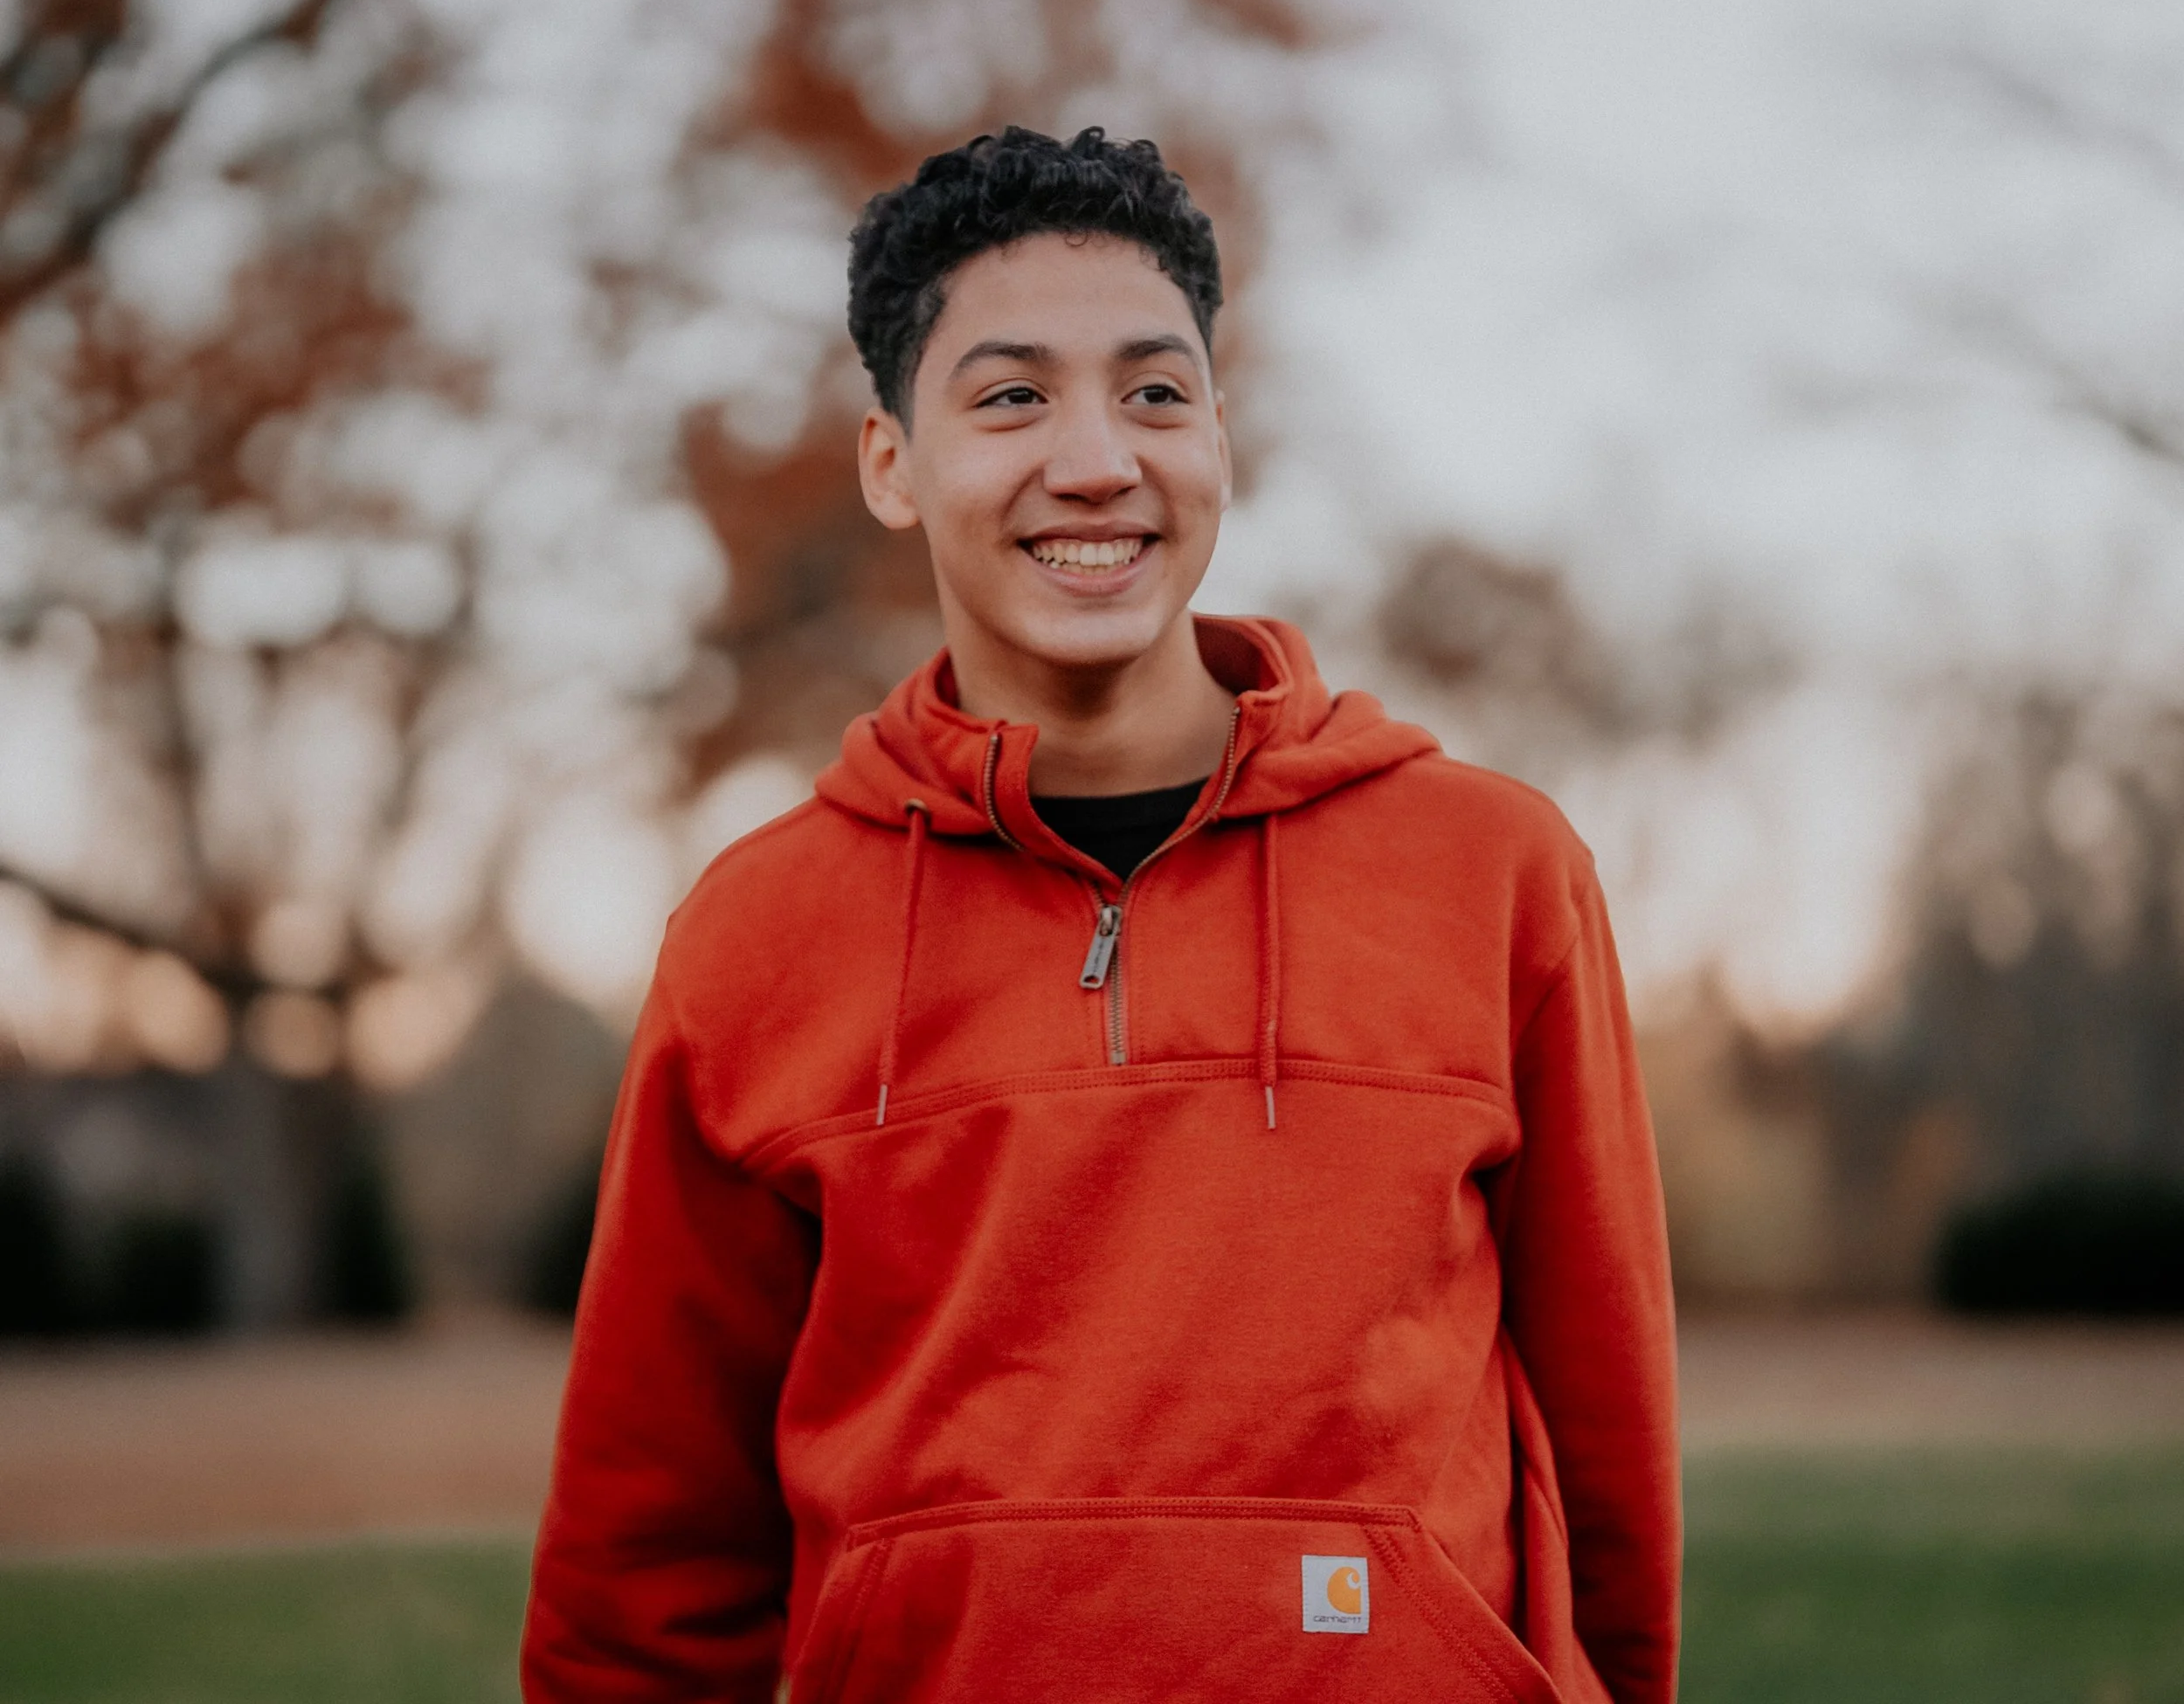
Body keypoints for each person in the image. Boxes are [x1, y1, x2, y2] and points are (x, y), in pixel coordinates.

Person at [522, 126, 1677, 1704]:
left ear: (1220, 436)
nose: (1097, 461)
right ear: (890, 463)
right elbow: (642, 1565)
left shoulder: (1494, 871)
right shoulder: (754, 936)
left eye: (1155, 393)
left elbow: (1612, 1475)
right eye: (1011, 397)